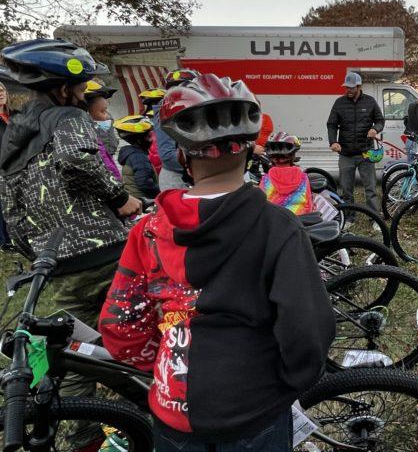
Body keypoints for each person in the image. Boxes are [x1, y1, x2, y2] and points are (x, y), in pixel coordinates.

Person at [99, 73, 335, 452]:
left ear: (180, 156)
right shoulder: (277, 227)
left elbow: (121, 323)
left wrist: (160, 368)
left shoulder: (146, 230)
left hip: (172, 410)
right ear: (247, 152)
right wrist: (291, 381)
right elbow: (307, 326)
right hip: (254, 407)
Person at [0, 39, 142, 450]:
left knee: (80, 351)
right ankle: (166, 404)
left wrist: (37, 250)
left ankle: (86, 430)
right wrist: (121, 198)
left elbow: (11, 206)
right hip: (102, 251)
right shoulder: (68, 118)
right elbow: (80, 161)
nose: (86, 96)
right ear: (64, 88)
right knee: (151, 323)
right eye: (83, 89)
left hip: (57, 262)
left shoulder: (16, 135)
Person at [327, 72, 385, 213]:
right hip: (346, 154)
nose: (348, 90)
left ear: (359, 86)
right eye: (346, 87)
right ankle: (349, 217)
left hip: (366, 152)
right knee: (346, 190)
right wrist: (333, 141)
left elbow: (380, 120)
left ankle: (374, 217)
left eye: (351, 88)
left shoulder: (370, 101)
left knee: (370, 189)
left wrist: (375, 129)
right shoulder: (339, 102)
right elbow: (332, 124)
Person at [153, 69, 198, 190]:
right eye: (174, 88)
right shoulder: (166, 112)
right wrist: (202, 166)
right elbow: (167, 155)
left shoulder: (193, 110)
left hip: (194, 177)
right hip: (177, 180)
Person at [259, 132, 313, 215]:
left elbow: (261, 205)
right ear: (292, 157)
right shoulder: (303, 177)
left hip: (274, 222)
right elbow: (309, 204)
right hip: (299, 222)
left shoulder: (266, 179)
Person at [115, 114, 160, 200]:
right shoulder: (138, 157)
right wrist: (160, 194)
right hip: (144, 201)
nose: (152, 140)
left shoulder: (131, 154)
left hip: (135, 199)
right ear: (139, 140)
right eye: (149, 136)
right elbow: (145, 183)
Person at [85, 80, 122, 180]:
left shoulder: (107, 115)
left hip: (109, 152)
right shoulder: (85, 124)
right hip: (101, 155)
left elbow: (111, 131)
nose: (105, 100)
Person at [0, 81, 11, 247]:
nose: (0, 92)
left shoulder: (13, 116)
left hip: (15, 166)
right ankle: (4, 241)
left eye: (1, 89)